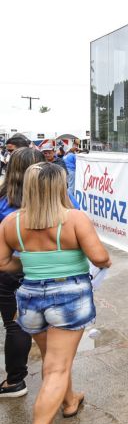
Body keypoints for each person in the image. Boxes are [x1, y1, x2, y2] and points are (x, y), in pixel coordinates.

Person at [0, 162, 111, 424]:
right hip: (68, 296)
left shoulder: (10, 223)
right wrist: (103, 262)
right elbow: (100, 257)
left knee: (53, 359)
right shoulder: (74, 219)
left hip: (30, 297)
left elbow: (3, 262)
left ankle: (70, 400)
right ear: (60, 187)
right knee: (56, 368)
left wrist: (31, 264)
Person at [0, 147, 45, 398]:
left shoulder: (3, 202)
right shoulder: (57, 200)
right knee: (53, 327)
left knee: (16, 325)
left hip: (11, 270)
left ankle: (15, 381)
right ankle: (59, 381)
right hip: (50, 270)